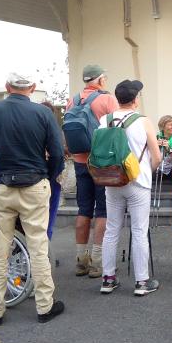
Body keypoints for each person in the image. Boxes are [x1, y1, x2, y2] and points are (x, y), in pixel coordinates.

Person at [0, 72, 65, 325]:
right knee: (38, 245)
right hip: (34, 184)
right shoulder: (43, 113)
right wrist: (48, 175)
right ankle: (44, 306)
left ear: (7, 87)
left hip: (1, 185)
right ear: (33, 88)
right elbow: (57, 153)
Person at [99, 80, 161, 296]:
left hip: (111, 180)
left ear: (118, 99)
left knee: (111, 229)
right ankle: (142, 281)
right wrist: (146, 171)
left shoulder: (104, 120)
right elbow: (157, 156)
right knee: (139, 231)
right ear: (135, 99)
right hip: (137, 182)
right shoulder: (143, 121)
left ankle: (108, 279)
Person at [66, 64, 119, 277]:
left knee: (83, 209)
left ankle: (81, 260)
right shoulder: (107, 99)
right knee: (103, 210)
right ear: (101, 80)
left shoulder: (73, 100)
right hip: (101, 161)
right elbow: (117, 129)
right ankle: (97, 262)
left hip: (79, 161)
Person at [41, 101, 64, 241]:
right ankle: (46, 245)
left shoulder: (31, 129)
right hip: (52, 176)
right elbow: (58, 154)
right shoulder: (55, 130)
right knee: (50, 212)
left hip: (34, 176)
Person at [156, 114, 172, 182]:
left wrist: (169, 149)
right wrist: (156, 147)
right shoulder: (157, 137)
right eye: (170, 125)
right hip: (160, 167)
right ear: (163, 126)